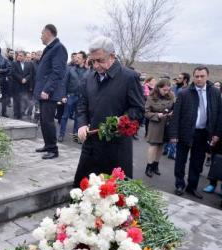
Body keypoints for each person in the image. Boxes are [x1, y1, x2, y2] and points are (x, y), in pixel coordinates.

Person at [73, 36, 144, 185]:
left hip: (116, 148)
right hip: (91, 145)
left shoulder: (129, 77)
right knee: (82, 188)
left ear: (112, 56)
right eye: (92, 61)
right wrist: (81, 124)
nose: (96, 66)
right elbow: (82, 104)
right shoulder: (89, 77)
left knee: (113, 195)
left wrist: (122, 120)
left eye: (100, 60)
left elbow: (138, 110)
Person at [169, 66, 222, 198]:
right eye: (196, 76)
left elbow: (220, 114)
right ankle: (179, 185)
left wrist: (216, 133)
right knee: (180, 161)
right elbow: (176, 115)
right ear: (193, 77)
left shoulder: (215, 93)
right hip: (185, 132)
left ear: (207, 76)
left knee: (197, 162)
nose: (199, 79)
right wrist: (174, 135)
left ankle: (192, 187)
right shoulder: (184, 92)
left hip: (203, 133)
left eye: (202, 76)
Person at [33, 24, 68, 160]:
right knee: (43, 119)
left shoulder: (59, 48)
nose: (40, 36)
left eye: (42, 33)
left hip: (49, 92)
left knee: (48, 121)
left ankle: (53, 149)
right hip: (44, 91)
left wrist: (47, 89)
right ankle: (48, 145)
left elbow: (57, 72)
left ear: (48, 34)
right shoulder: (50, 48)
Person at [144, 78, 175, 177]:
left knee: (161, 145)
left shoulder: (172, 96)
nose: (166, 92)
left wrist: (172, 113)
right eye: (164, 90)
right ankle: (149, 166)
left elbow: (175, 107)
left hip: (167, 124)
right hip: (156, 124)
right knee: (153, 145)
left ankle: (155, 165)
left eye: (168, 90)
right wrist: (157, 115)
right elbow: (146, 113)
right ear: (158, 88)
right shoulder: (151, 97)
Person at [58, 50, 88, 142]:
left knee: (78, 118)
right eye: (76, 57)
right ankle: (61, 135)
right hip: (70, 97)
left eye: (79, 58)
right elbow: (64, 83)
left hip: (81, 98)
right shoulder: (70, 69)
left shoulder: (88, 72)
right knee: (65, 116)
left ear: (84, 60)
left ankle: (76, 137)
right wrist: (63, 96)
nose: (76, 59)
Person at [12, 51, 34, 119]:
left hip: (25, 85)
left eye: (21, 55)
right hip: (17, 85)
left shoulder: (29, 64)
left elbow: (31, 74)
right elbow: (13, 73)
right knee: (16, 100)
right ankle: (16, 114)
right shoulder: (14, 63)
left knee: (24, 99)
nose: (19, 56)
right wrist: (21, 79)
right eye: (18, 55)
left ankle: (21, 113)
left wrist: (26, 79)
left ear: (24, 57)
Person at [0, 51, 12, 117]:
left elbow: (9, 69)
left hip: (3, 81)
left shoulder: (5, 60)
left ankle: (4, 112)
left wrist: (0, 70)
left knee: (4, 97)